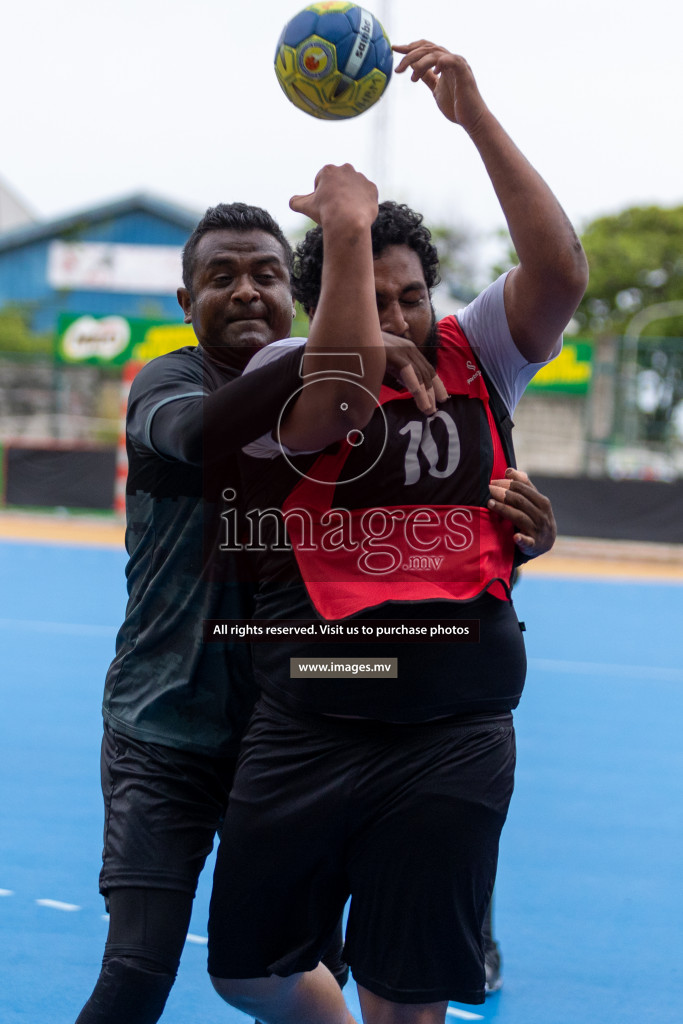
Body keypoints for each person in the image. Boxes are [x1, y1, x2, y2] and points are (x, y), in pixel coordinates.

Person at [73, 191, 550, 1023]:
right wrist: (337, 354)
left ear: (292, 295)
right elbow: (204, 436)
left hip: (282, 717)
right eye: (221, 278)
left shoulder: (352, 378)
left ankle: (458, 905)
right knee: (143, 967)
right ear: (186, 303)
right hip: (170, 728)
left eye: (264, 272)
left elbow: (416, 551)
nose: (247, 290)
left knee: (349, 925)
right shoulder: (176, 382)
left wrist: (515, 540)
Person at [205, 40, 587, 1024]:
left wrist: (474, 119)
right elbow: (335, 396)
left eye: (411, 295)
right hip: (319, 703)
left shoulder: (476, 357)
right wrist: (344, 231)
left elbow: (556, 272)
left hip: (456, 721)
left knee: (408, 990)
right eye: (372, 298)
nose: (399, 315)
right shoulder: (287, 366)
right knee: (246, 968)